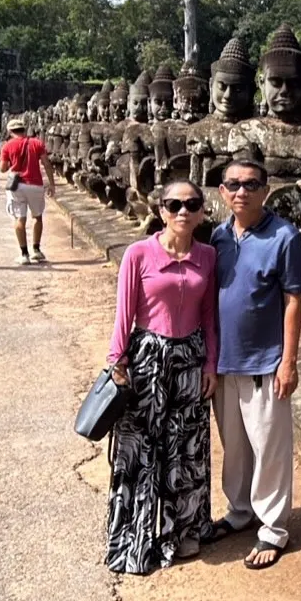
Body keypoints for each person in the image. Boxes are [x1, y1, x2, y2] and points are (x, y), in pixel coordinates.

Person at [104, 179, 219, 575]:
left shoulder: (208, 256)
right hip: (148, 360)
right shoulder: (139, 254)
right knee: (142, 451)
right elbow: (124, 313)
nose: (183, 212)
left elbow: (209, 316)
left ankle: (184, 531)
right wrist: (117, 362)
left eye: (192, 204)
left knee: (186, 450)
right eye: (174, 205)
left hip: (190, 360)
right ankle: (135, 538)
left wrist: (211, 365)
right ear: (161, 211)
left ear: (203, 211)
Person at [204, 159, 301, 570]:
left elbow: (293, 300)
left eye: (251, 184)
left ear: (266, 190)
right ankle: (240, 510)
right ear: (222, 192)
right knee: (235, 448)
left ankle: (273, 527)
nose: (241, 191)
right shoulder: (219, 236)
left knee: (270, 447)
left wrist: (289, 361)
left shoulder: (285, 236)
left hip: (265, 360)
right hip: (226, 360)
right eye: (233, 184)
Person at [0, 118, 55, 265]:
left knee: (19, 219)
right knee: (37, 217)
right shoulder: (37, 143)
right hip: (35, 184)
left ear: (11, 132)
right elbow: (46, 163)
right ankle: (36, 250)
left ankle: (24, 254)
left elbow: (2, 169)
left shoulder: (8, 146)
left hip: (17, 186)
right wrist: (51, 183)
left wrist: (12, 161)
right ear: (24, 130)